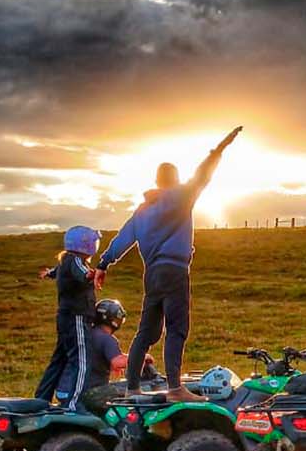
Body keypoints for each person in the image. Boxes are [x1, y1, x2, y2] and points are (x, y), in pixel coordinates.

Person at [95, 127, 241, 402]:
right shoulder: (182, 195)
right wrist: (220, 149)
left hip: (152, 275)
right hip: (174, 270)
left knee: (146, 332)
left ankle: (132, 388)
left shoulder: (142, 210)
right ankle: (175, 389)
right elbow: (203, 174)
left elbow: (123, 239)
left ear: (156, 181)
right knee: (176, 328)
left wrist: (103, 264)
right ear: (176, 179)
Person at [34, 225, 101, 409]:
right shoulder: (77, 260)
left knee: (60, 359)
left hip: (65, 317)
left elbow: (57, 271)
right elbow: (83, 274)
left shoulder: (65, 260)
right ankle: (74, 404)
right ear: (86, 244)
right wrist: (92, 274)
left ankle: (41, 399)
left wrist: (48, 273)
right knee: (82, 361)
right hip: (77, 317)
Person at [53, 299, 157, 412]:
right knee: (122, 390)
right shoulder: (106, 339)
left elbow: (101, 359)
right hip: (84, 392)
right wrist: (142, 357)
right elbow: (117, 362)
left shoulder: (87, 334)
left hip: (63, 390)